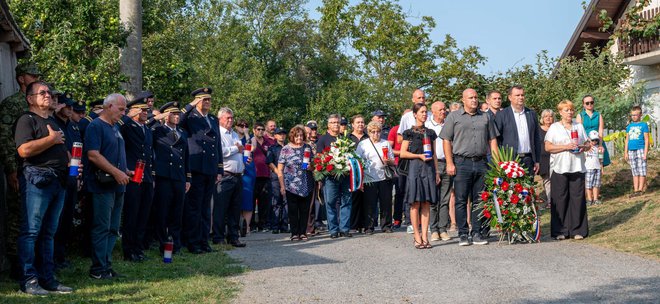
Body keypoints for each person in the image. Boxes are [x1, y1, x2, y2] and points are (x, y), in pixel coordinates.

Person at [14, 81, 72, 294]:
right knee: (31, 232)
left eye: (49, 92)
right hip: (37, 182)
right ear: (30, 98)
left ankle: (48, 279)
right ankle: (29, 281)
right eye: (42, 93)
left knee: (49, 233)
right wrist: (51, 139)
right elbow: (24, 150)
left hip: (59, 182)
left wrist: (71, 163)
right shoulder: (26, 120)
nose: (48, 95)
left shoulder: (54, 122)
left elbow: (61, 148)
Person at [440, 88, 498, 247]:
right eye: (470, 97)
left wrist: (497, 163)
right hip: (461, 162)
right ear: (463, 100)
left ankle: (477, 233)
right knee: (460, 200)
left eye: (476, 97)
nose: (474, 100)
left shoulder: (485, 117)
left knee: (479, 200)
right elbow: (446, 140)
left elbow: (492, 140)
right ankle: (463, 234)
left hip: (481, 163)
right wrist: (450, 163)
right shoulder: (453, 116)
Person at [0, 63, 41, 278]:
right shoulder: (12, 104)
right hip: (19, 167)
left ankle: (34, 261)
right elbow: (5, 138)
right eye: (31, 75)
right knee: (18, 215)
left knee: (33, 217)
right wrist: (11, 169)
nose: (35, 77)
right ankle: (17, 264)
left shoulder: (37, 103)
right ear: (21, 79)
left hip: (37, 168)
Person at [86, 93, 130, 279]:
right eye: (121, 109)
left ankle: (107, 265)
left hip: (118, 184)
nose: (123, 113)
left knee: (113, 228)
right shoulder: (95, 126)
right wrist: (116, 172)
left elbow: (114, 154)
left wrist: (125, 170)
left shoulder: (115, 127)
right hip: (103, 184)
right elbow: (93, 155)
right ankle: (98, 269)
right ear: (108, 106)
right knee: (102, 227)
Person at [179, 88, 224, 253]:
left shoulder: (212, 119)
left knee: (206, 207)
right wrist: (190, 105)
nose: (207, 102)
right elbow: (179, 119)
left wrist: (220, 167)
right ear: (197, 101)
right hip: (196, 166)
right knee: (194, 207)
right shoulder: (190, 117)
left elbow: (217, 143)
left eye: (209, 100)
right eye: (204, 99)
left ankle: (204, 240)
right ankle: (193, 241)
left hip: (210, 167)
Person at [544, 100, 591, 240]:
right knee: (560, 199)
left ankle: (577, 230)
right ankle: (561, 231)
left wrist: (584, 147)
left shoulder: (579, 126)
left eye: (571, 110)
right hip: (560, 167)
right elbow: (548, 147)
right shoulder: (554, 127)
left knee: (577, 199)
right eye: (566, 110)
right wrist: (565, 147)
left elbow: (588, 143)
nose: (569, 112)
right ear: (560, 112)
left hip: (577, 166)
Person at [118, 98, 154, 262]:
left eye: (146, 110)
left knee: (143, 215)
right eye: (142, 110)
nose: (145, 113)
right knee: (132, 214)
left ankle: (138, 248)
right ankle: (129, 250)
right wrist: (128, 115)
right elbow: (115, 126)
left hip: (145, 176)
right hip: (132, 175)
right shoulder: (127, 126)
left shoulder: (147, 129)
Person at [152, 102, 190, 255]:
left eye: (178, 114)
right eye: (173, 114)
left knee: (177, 212)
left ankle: (176, 244)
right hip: (164, 176)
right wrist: (157, 118)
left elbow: (186, 157)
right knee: (163, 212)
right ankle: (163, 244)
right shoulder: (158, 131)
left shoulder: (182, 132)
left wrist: (188, 178)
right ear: (166, 116)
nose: (177, 116)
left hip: (179, 176)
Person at [400, 103, 439, 249]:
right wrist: (419, 156)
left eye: (425, 112)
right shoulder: (408, 133)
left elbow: (434, 154)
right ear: (415, 114)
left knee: (426, 202)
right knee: (415, 202)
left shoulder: (430, 132)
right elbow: (403, 153)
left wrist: (436, 172)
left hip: (428, 169)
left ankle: (425, 237)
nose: (424, 114)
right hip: (415, 168)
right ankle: (416, 236)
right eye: (421, 112)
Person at [52, 93, 82, 270]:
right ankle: (53, 257)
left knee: (67, 218)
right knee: (56, 218)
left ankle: (61, 255)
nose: (71, 109)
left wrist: (78, 176)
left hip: (72, 176)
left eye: (72, 107)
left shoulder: (74, 127)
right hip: (58, 176)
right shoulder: (53, 123)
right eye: (67, 106)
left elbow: (79, 151)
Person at [214, 107, 247, 247]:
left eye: (232, 117)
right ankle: (218, 237)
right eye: (227, 117)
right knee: (221, 208)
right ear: (220, 119)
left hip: (238, 175)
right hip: (226, 175)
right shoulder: (218, 133)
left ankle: (233, 236)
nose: (230, 120)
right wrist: (236, 149)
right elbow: (220, 152)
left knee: (235, 208)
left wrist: (244, 157)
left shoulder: (234, 134)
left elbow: (240, 150)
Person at [355, 121, 395, 233]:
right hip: (369, 178)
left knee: (386, 203)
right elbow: (357, 161)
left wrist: (388, 161)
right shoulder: (363, 144)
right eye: (373, 132)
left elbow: (393, 161)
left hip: (384, 177)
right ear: (369, 132)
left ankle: (386, 225)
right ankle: (369, 226)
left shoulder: (385, 143)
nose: (376, 134)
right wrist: (360, 179)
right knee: (369, 203)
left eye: (378, 131)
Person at [494, 85, 542, 178]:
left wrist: (537, 161)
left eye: (522, 95)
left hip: (528, 159)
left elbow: (536, 138)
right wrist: (499, 160)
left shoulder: (531, 114)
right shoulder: (502, 115)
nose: (520, 97)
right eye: (517, 95)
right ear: (510, 97)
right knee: (512, 190)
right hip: (510, 160)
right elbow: (496, 139)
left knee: (528, 190)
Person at [277, 126, 315, 241]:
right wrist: (282, 186)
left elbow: (314, 165)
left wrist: (311, 167)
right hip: (291, 185)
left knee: (305, 210)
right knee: (293, 210)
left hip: (306, 183)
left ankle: (303, 232)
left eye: (301, 135)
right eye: (297, 135)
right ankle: (294, 233)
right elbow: (280, 169)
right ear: (292, 136)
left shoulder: (307, 147)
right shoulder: (286, 149)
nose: (299, 138)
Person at [317, 114, 352, 238]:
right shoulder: (322, 139)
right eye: (332, 122)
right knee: (330, 203)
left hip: (345, 175)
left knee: (346, 201)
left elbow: (352, 156)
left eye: (337, 122)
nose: (335, 124)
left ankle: (345, 229)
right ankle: (333, 230)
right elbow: (319, 158)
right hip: (330, 176)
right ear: (328, 125)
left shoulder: (346, 138)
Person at [425, 101, 452, 242]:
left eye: (444, 109)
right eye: (440, 109)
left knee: (445, 198)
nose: (443, 111)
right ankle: (433, 229)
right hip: (432, 165)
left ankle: (443, 229)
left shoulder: (449, 123)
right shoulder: (428, 125)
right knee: (433, 199)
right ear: (433, 111)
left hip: (447, 163)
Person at [250, 122, 274, 232]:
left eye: (262, 129)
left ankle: (263, 224)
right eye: (258, 129)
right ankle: (251, 224)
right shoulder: (250, 140)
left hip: (266, 175)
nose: (260, 131)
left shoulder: (268, 142)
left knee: (265, 201)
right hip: (253, 175)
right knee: (251, 200)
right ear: (254, 130)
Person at [576, 95, 610, 167]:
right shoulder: (580, 115)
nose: (590, 104)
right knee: (587, 165)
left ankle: (600, 176)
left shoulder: (598, 115)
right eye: (587, 103)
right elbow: (579, 132)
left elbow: (600, 130)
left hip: (598, 142)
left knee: (600, 164)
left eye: (591, 102)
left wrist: (600, 144)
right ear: (583, 104)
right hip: (586, 144)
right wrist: (587, 142)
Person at [348, 115, 368, 233]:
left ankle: (364, 224)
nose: (360, 124)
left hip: (367, 171)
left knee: (366, 199)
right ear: (353, 124)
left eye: (362, 122)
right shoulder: (347, 138)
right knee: (354, 198)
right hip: (353, 173)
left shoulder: (368, 137)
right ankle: (353, 224)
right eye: (358, 122)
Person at [624, 106, 649, 197]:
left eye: (636, 115)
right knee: (634, 170)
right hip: (631, 150)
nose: (634, 117)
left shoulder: (643, 125)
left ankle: (640, 189)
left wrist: (645, 153)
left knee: (642, 169)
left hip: (640, 149)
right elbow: (627, 140)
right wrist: (625, 152)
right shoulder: (629, 126)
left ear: (640, 115)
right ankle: (636, 189)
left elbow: (646, 139)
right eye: (632, 115)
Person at [266, 127, 288, 233]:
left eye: (283, 133)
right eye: (279, 134)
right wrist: (278, 171)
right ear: (275, 136)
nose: (282, 135)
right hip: (275, 177)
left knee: (286, 202)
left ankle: (284, 225)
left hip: (288, 177)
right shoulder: (272, 148)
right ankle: (275, 226)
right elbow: (269, 162)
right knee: (276, 201)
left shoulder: (289, 147)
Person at [239, 122, 255, 236]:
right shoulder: (233, 136)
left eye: (246, 126)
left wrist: (247, 134)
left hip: (248, 170)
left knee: (248, 199)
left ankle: (247, 226)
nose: (243, 127)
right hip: (237, 169)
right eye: (241, 125)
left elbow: (252, 148)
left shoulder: (250, 138)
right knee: (237, 198)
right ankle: (237, 225)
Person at [539, 109, 555, 209]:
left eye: (550, 116)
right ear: (542, 118)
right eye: (546, 116)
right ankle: (550, 201)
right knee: (547, 180)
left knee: (556, 179)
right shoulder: (538, 129)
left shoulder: (556, 128)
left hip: (555, 156)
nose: (548, 118)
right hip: (543, 158)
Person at [585, 131, 602, 205]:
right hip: (588, 168)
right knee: (588, 185)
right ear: (589, 139)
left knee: (596, 184)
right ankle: (589, 199)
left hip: (597, 168)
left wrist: (602, 167)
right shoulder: (586, 149)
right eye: (593, 140)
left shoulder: (599, 148)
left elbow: (601, 159)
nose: (594, 142)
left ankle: (595, 199)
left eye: (596, 140)